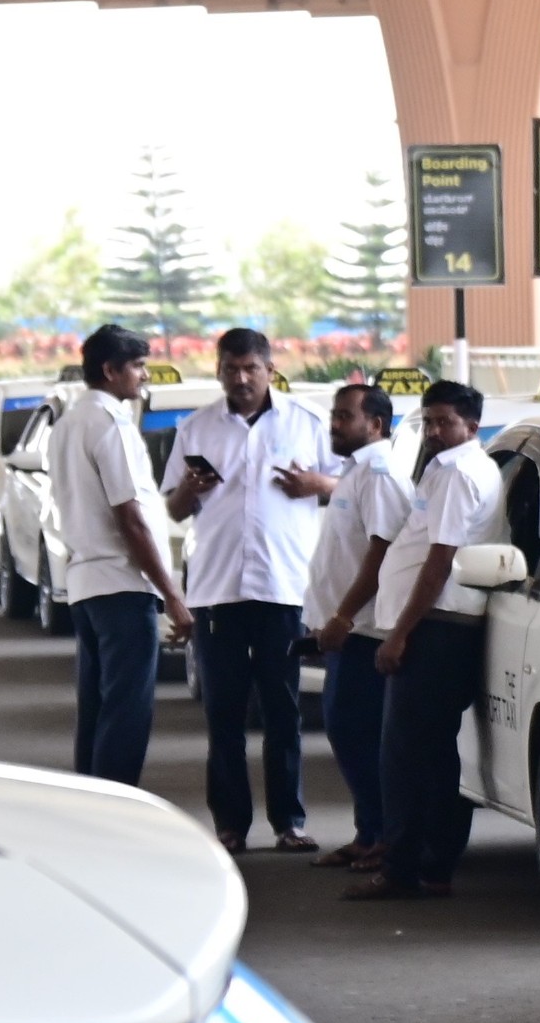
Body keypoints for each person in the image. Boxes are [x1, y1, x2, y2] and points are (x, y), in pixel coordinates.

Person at [169, 327, 335, 852]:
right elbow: (169, 508)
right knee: (224, 713)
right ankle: (231, 825)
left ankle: (289, 821)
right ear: (217, 370)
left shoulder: (306, 423)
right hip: (217, 588)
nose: (240, 379)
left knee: (283, 711)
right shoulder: (195, 429)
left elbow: (349, 488)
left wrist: (318, 486)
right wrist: (187, 491)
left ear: (269, 369)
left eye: (250, 368)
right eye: (230, 369)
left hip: (284, 587)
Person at [346, 379, 504, 903]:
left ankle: (405, 868)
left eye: (445, 422)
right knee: (432, 756)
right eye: (429, 421)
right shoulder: (445, 469)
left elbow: (439, 563)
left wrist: (400, 634)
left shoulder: (459, 473)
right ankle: (431, 866)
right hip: (434, 625)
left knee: (406, 759)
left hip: (435, 627)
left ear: (471, 427)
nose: (435, 431)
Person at [49, 324, 191, 786]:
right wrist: (172, 596)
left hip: (86, 585)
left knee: (96, 707)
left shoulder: (68, 423)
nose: (144, 376)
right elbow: (130, 516)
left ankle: (90, 803)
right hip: (121, 583)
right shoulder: (112, 425)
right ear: (110, 371)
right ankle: (117, 806)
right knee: (127, 710)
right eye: (137, 367)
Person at [305, 379, 410, 870]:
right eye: (334, 414)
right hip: (343, 631)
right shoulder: (356, 470)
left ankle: (384, 837)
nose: (335, 423)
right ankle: (368, 832)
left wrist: (343, 616)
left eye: (345, 416)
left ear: (376, 424)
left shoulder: (382, 473)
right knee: (348, 734)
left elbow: (382, 550)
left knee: (357, 735)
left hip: (363, 630)